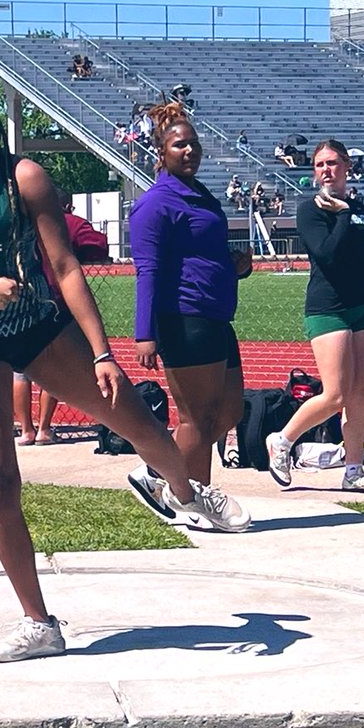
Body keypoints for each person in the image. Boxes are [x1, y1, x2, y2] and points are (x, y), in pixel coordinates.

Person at [0, 75, 250, 663]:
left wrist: (102, 352)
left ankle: (183, 489)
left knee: (141, 426)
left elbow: (66, 267)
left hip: (39, 325)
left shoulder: (23, 178)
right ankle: (38, 623)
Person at [129, 100, 253, 493]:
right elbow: (147, 270)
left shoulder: (200, 194)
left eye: (194, 144)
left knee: (230, 410)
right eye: (180, 145)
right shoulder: (155, 204)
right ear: (162, 153)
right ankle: (192, 497)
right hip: (183, 318)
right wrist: (144, 334)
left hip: (216, 316)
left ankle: (160, 474)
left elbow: (204, 251)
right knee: (197, 420)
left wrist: (235, 265)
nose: (190, 151)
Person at [265, 139, 364, 493]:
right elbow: (328, 254)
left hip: (361, 307)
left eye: (333, 163)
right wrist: (340, 215)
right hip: (328, 308)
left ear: (346, 166)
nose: (326, 170)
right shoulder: (310, 210)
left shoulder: (356, 206)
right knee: (335, 394)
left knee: (361, 392)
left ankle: (354, 471)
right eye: (320, 164)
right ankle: (283, 440)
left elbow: (359, 251)